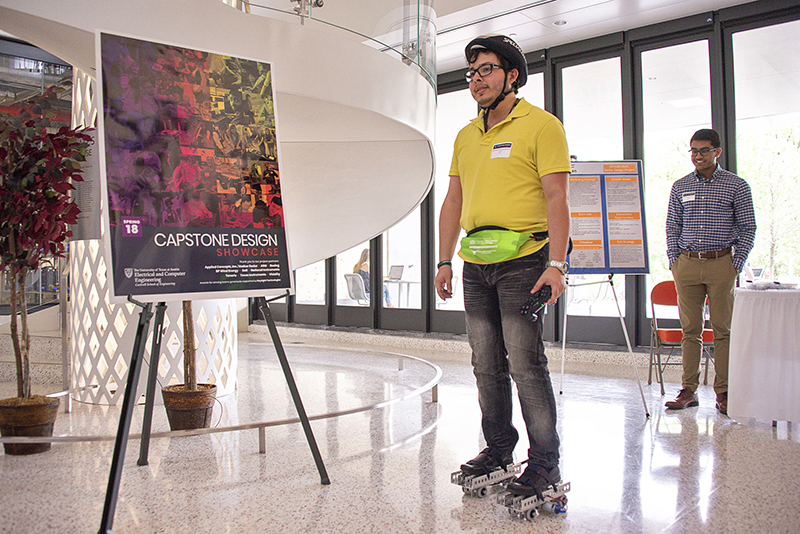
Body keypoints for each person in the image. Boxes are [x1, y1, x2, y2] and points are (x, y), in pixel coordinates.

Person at [434, 34, 571, 498]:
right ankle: (498, 450)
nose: (477, 79)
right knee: (485, 364)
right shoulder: (465, 135)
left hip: (525, 261)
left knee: (526, 365)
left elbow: (557, 197)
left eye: (486, 69)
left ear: (512, 75)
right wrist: (443, 259)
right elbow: (453, 200)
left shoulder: (541, 125)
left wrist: (556, 263)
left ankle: (545, 464)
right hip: (477, 260)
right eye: (472, 72)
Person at [664, 128, 756, 415]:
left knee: (722, 332)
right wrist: (674, 260)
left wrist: (735, 264)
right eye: (693, 150)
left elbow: (748, 227)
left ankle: (724, 392)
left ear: (717, 152)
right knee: (690, 331)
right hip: (687, 264)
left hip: (721, 265)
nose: (698, 156)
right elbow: (671, 225)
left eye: (704, 150)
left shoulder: (736, 185)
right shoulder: (680, 186)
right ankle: (688, 390)